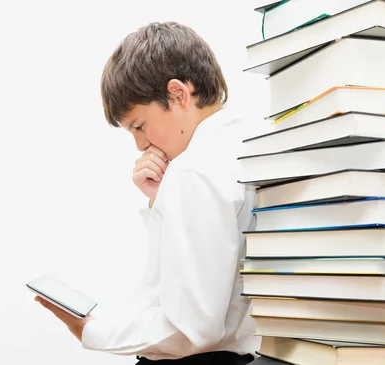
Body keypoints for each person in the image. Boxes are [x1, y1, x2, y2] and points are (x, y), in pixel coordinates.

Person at [34, 21, 260, 364]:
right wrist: (160, 198)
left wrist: (91, 332)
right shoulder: (246, 144)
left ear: (179, 94)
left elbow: (191, 329)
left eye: (139, 126)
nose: (140, 144)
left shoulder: (194, 170)